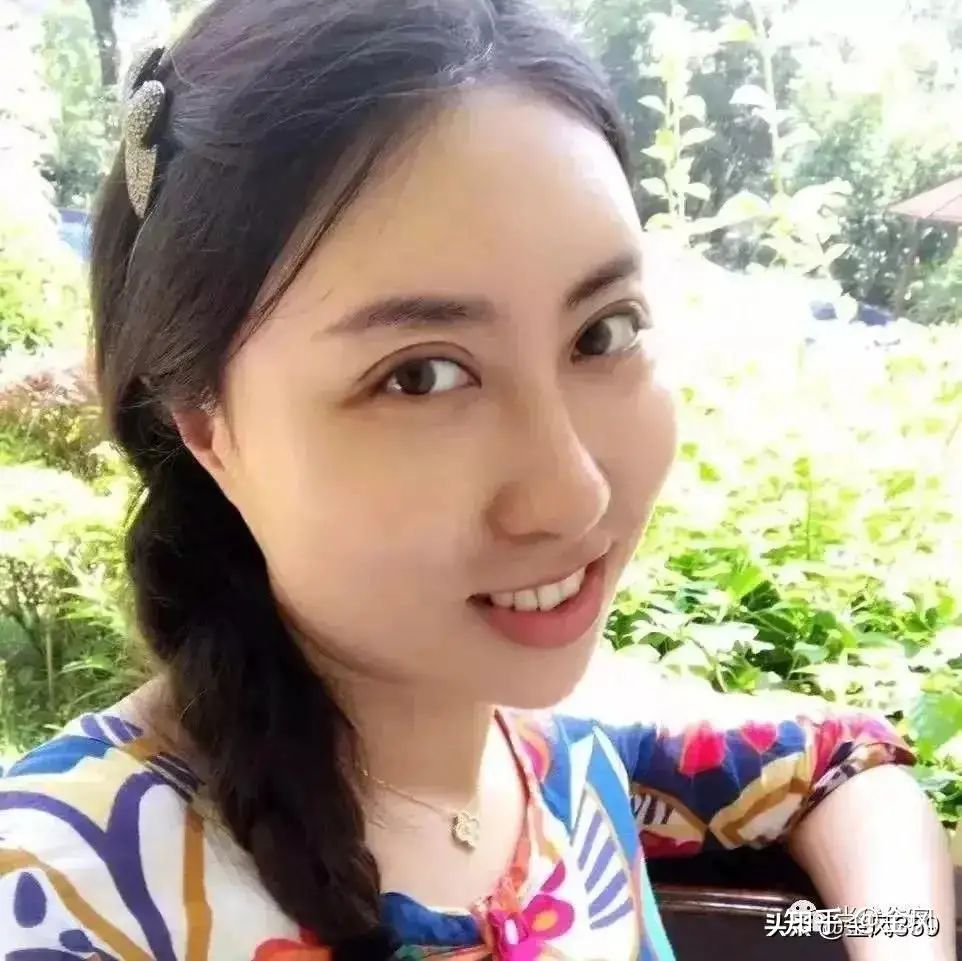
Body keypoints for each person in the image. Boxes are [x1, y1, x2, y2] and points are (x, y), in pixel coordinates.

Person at [0, 0, 954, 959]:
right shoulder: (61, 894)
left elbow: (845, 763)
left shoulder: (561, 745)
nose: (575, 493)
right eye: (420, 376)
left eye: (603, 331)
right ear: (205, 425)